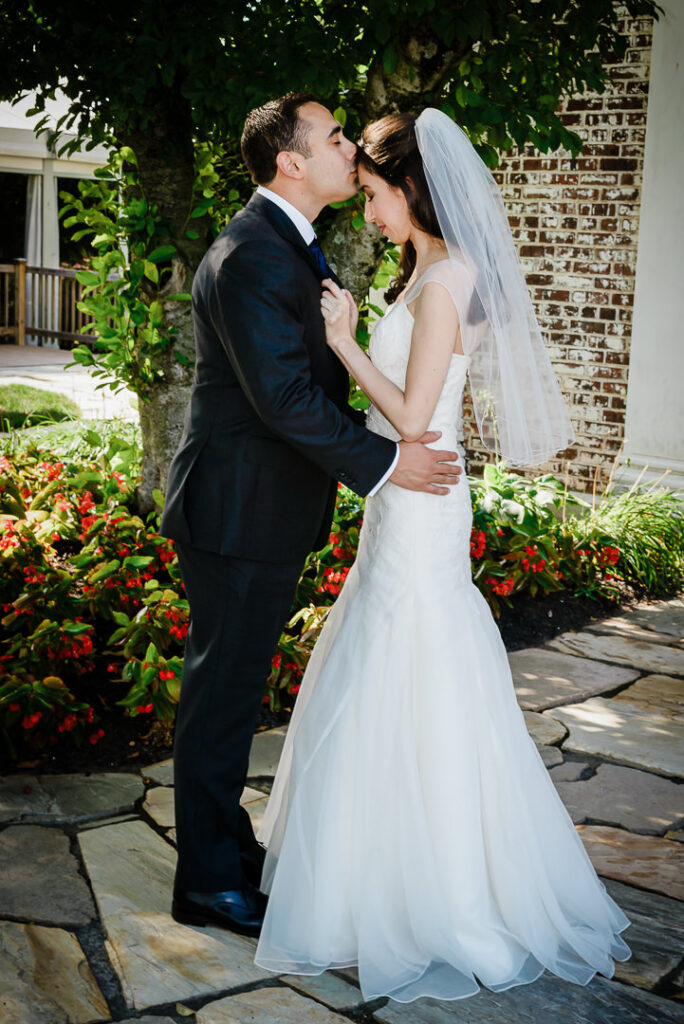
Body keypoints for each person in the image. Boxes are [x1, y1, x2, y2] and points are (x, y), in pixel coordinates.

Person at [253, 109, 631, 1002]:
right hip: (402, 497)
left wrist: (344, 343)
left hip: (421, 498)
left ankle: (438, 897)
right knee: (383, 667)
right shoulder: (420, 268)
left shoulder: (452, 275)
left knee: (413, 668)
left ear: (412, 190)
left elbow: (418, 416)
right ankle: (368, 879)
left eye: (379, 195)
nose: (372, 211)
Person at [159, 94, 462, 938]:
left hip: (261, 511)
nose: (346, 148)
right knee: (219, 703)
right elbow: (286, 398)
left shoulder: (291, 245)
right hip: (236, 515)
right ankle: (209, 883)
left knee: (232, 695)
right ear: (291, 162)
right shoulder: (252, 254)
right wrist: (392, 462)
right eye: (332, 138)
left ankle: (226, 854)